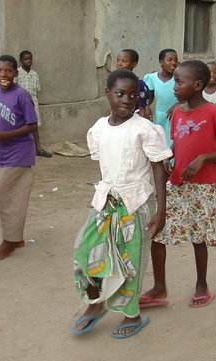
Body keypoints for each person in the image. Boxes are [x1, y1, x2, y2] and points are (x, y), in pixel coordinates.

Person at [72, 69, 171, 339]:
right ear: (107, 94)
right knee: (84, 251)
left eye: (132, 94)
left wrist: (161, 210)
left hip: (136, 204)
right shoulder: (99, 128)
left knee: (131, 262)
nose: (126, 99)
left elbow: (159, 169)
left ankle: (132, 314)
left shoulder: (144, 129)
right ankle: (96, 302)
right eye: (119, 93)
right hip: (106, 203)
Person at [141, 60, 216, 309]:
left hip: (203, 186)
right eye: (175, 81)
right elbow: (179, 142)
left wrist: (204, 157)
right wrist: (169, 156)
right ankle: (159, 287)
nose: (174, 86)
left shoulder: (214, 113)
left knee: (198, 237)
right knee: (159, 233)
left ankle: (201, 284)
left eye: (180, 82)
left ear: (197, 85)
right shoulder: (178, 112)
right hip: (177, 183)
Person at [0, 55, 38, 260]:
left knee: (7, 196)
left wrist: (1, 136)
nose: (3, 75)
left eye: (8, 71)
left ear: (15, 73)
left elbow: (32, 124)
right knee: (7, 196)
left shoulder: (21, 95)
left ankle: (9, 242)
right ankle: (16, 238)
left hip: (20, 153)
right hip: (3, 152)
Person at [14, 50, 52, 158]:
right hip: (20, 103)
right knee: (20, 125)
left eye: (30, 59)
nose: (28, 61)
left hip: (32, 101)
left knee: (34, 125)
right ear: (21, 60)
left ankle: (38, 148)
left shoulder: (34, 74)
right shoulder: (17, 73)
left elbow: (37, 89)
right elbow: (13, 87)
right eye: (26, 59)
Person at [143, 49, 179, 147]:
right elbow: (149, 97)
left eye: (175, 60)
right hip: (160, 116)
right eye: (170, 60)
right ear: (161, 62)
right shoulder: (152, 78)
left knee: (173, 143)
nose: (173, 63)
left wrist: (177, 104)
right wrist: (146, 106)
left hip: (175, 115)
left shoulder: (179, 78)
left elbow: (187, 97)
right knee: (159, 143)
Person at [116, 49, 151, 119]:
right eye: (118, 60)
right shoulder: (115, 83)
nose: (119, 64)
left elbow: (142, 111)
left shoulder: (139, 85)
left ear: (133, 64)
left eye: (124, 61)